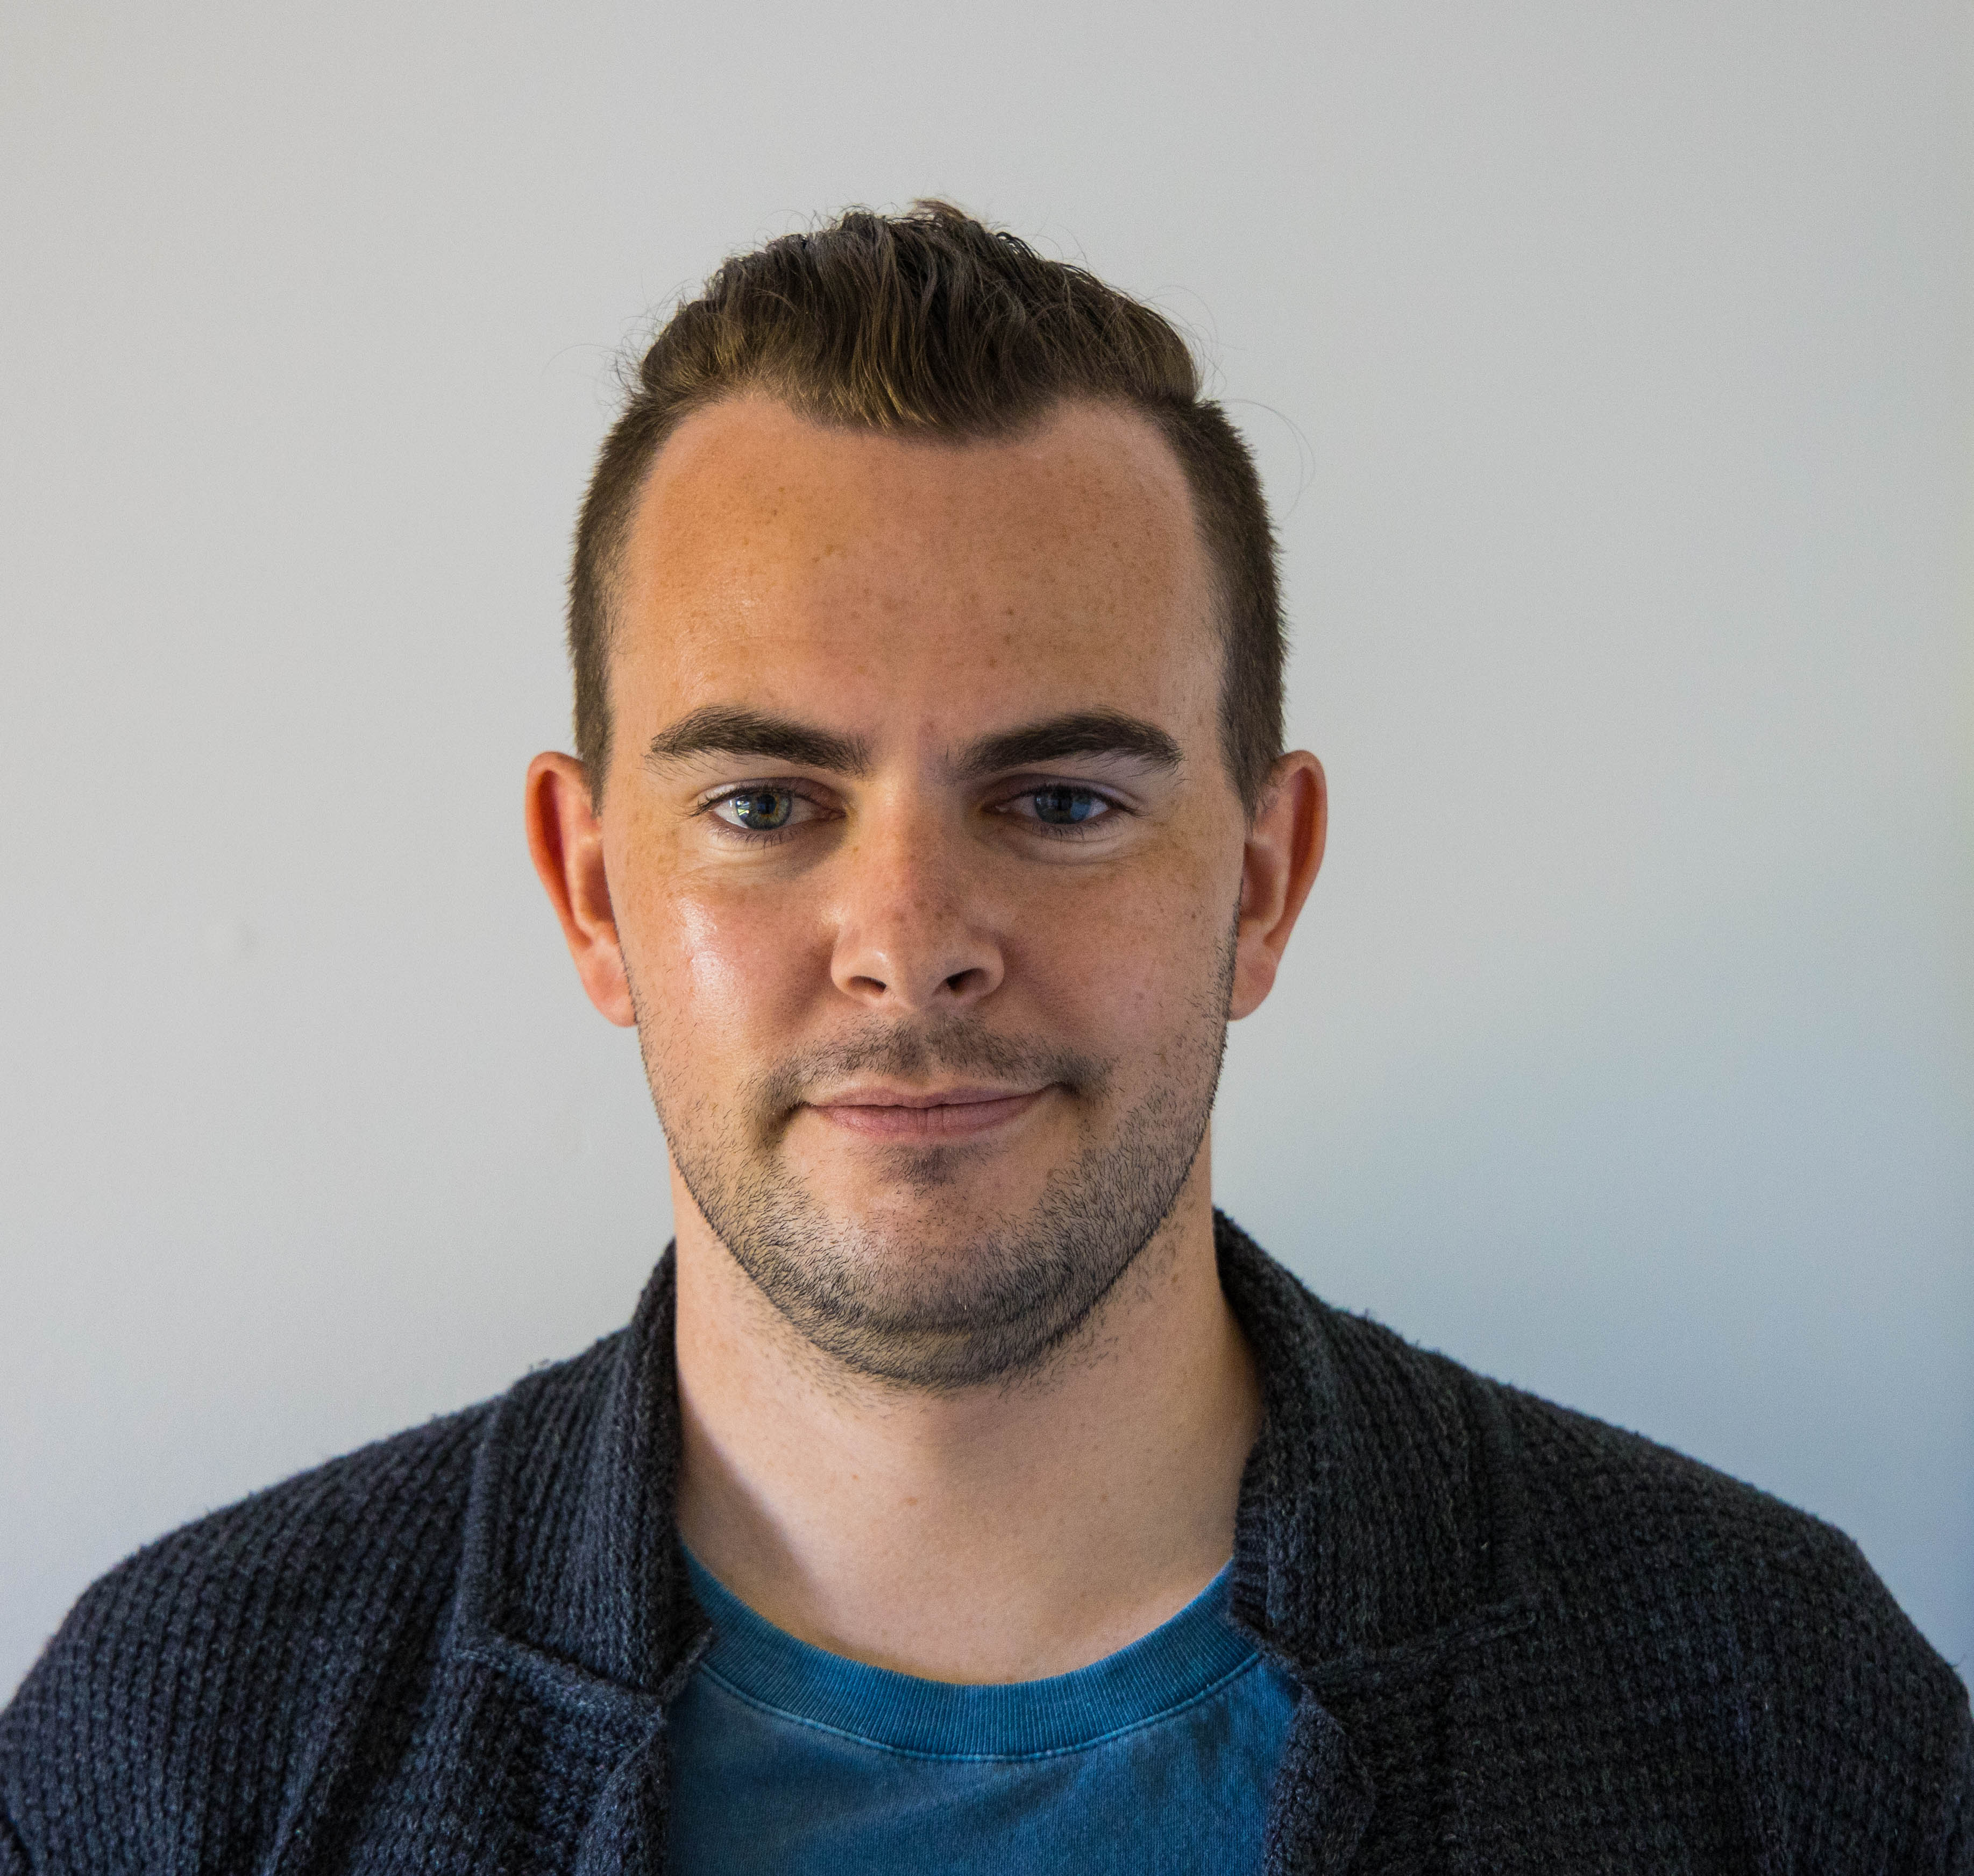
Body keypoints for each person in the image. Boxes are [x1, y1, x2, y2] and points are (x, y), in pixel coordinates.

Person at [2, 201, 1966, 1875]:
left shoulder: (1777, 1717)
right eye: (765, 804)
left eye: (1062, 802)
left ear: (1264, 880)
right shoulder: (187, 1753)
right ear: (592, 889)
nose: (914, 946)